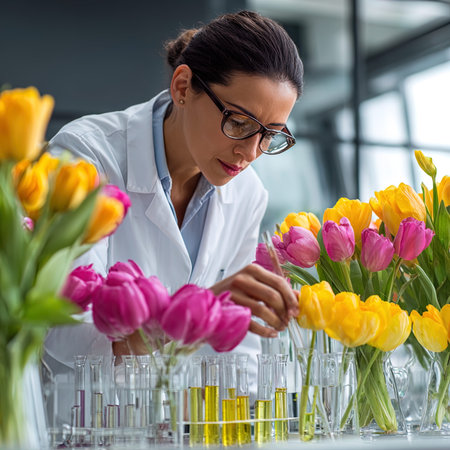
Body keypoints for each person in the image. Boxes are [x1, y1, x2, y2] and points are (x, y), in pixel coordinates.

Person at [44, 10, 303, 395]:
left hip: (177, 424)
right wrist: (198, 309)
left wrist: (249, 419)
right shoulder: (86, 157)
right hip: (79, 418)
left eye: (270, 135)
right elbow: (65, 331)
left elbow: (236, 348)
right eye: (238, 122)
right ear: (182, 87)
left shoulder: (247, 193)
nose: (250, 152)